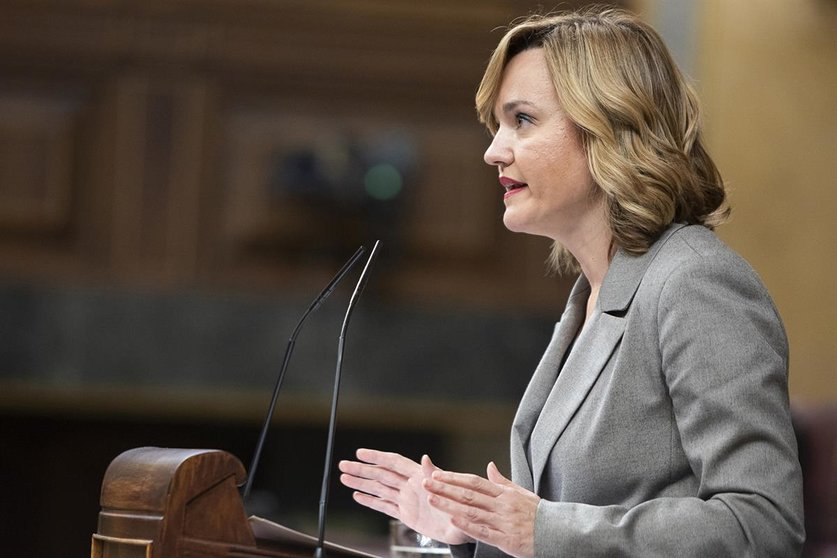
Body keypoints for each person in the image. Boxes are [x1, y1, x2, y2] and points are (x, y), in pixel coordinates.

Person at [338, 7, 805, 557]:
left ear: (610, 125)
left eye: (523, 120)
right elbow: (556, 522)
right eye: (497, 126)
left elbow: (763, 525)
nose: (494, 150)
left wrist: (539, 529)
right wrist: (472, 527)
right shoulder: (592, 294)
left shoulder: (695, 283)